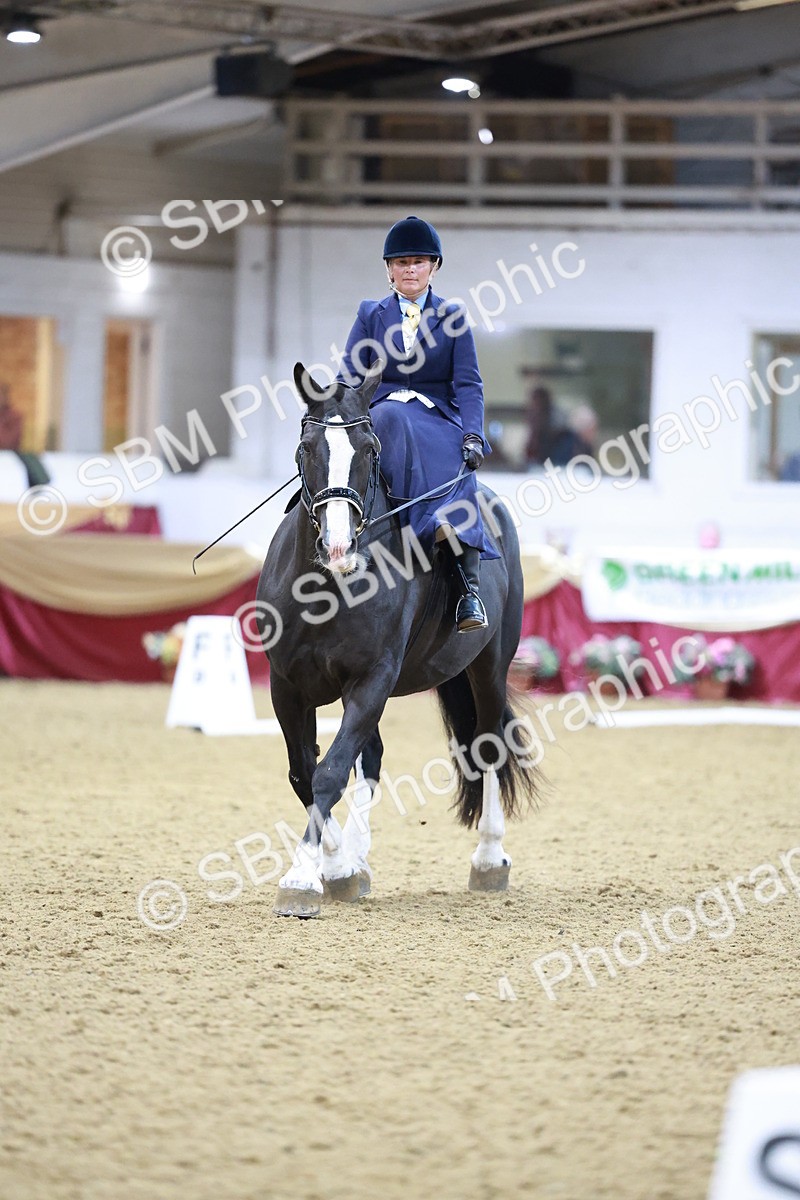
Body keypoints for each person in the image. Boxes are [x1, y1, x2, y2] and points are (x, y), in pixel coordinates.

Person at [337, 215, 497, 632]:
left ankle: (468, 585)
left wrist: (473, 434)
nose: (410, 269)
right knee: (352, 449)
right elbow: (351, 374)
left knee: (460, 475)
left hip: (436, 418)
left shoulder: (453, 316)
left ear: (434, 267)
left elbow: (468, 383)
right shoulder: (370, 313)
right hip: (382, 415)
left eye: (419, 262)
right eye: (402, 262)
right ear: (389, 269)